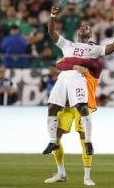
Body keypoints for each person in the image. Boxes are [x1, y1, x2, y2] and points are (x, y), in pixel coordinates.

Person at [43, 5, 114, 156]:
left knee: (82, 107)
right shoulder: (67, 44)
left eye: (87, 27)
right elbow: (51, 32)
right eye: (82, 26)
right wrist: (52, 16)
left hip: (77, 79)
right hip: (63, 79)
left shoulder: (95, 49)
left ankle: (89, 142)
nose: (84, 27)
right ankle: (52, 141)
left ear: (91, 34)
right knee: (52, 107)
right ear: (77, 33)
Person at [44, 56, 102, 186]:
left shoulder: (95, 66)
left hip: (83, 107)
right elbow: (59, 64)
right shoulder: (76, 64)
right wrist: (72, 64)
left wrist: (68, 61)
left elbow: (64, 63)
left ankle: (87, 177)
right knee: (56, 136)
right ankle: (61, 173)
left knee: (84, 138)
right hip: (67, 106)